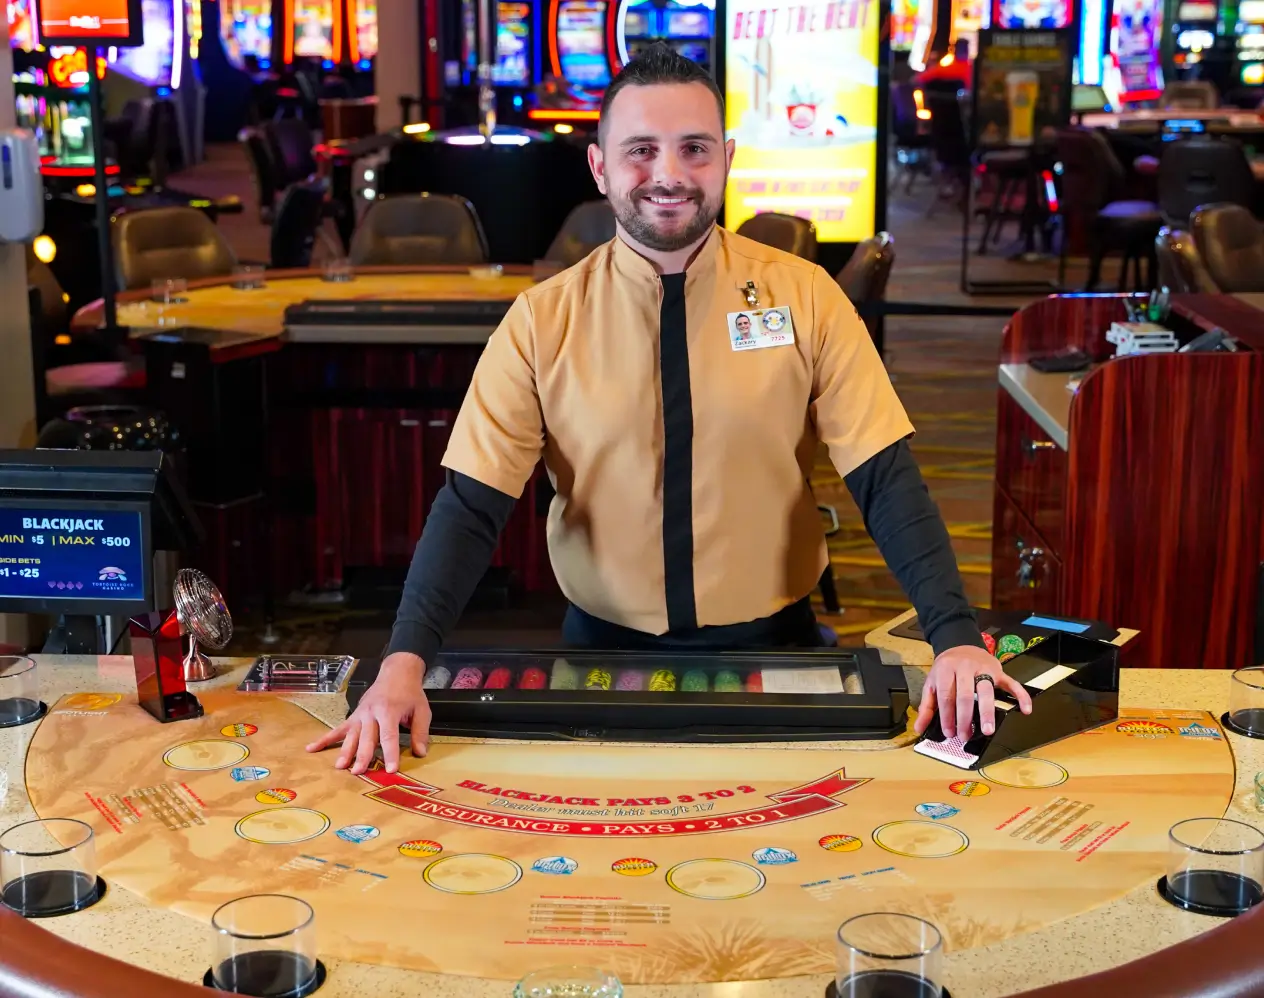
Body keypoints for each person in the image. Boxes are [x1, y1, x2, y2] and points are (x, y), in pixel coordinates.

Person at [307, 43, 1032, 776]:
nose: (670, 175)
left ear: (727, 157)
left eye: (694, 149)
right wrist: (404, 660)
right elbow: (470, 505)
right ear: (599, 167)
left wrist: (956, 636)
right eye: (641, 150)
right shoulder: (541, 321)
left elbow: (885, 476)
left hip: (776, 652)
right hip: (601, 655)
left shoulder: (806, 296)